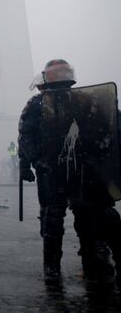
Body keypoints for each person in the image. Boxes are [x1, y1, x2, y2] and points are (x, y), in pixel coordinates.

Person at [19, 59, 121, 286]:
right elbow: (27, 137)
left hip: (73, 171)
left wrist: (32, 161)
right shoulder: (86, 100)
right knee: (85, 217)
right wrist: (33, 161)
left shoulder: (40, 103)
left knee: (71, 219)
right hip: (71, 171)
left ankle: (62, 266)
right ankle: (86, 262)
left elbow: (26, 137)